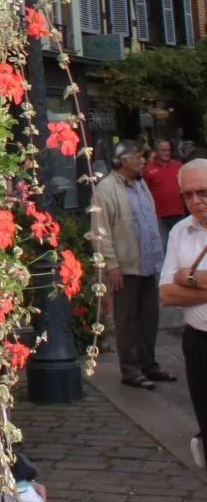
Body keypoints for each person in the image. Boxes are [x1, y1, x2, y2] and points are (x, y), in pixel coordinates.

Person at [90, 140, 176, 389]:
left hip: (148, 264)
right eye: (138, 156)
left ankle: (149, 364)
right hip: (125, 268)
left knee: (149, 318)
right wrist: (111, 264)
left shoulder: (140, 184)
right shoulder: (105, 188)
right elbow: (100, 230)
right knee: (127, 320)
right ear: (123, 160)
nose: (143, 161)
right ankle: (130, 370)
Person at [159, 158, 207, 474]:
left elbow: (178, 284)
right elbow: (166, 294)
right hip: (199, 344)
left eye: (203, 192)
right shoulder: (181, 231)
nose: (195, 201)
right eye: (187, 195)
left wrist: (187, 277)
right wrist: (183, 280)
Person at [142, 139, 187, 244]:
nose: (167, 153)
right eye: (163, 150)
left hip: (179, 212)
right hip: (159, 215)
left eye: (168, 150)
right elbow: (145, 192)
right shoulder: (148, 170)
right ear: (156, 152)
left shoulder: (179, 166)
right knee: (163, 244)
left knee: (181, 242)